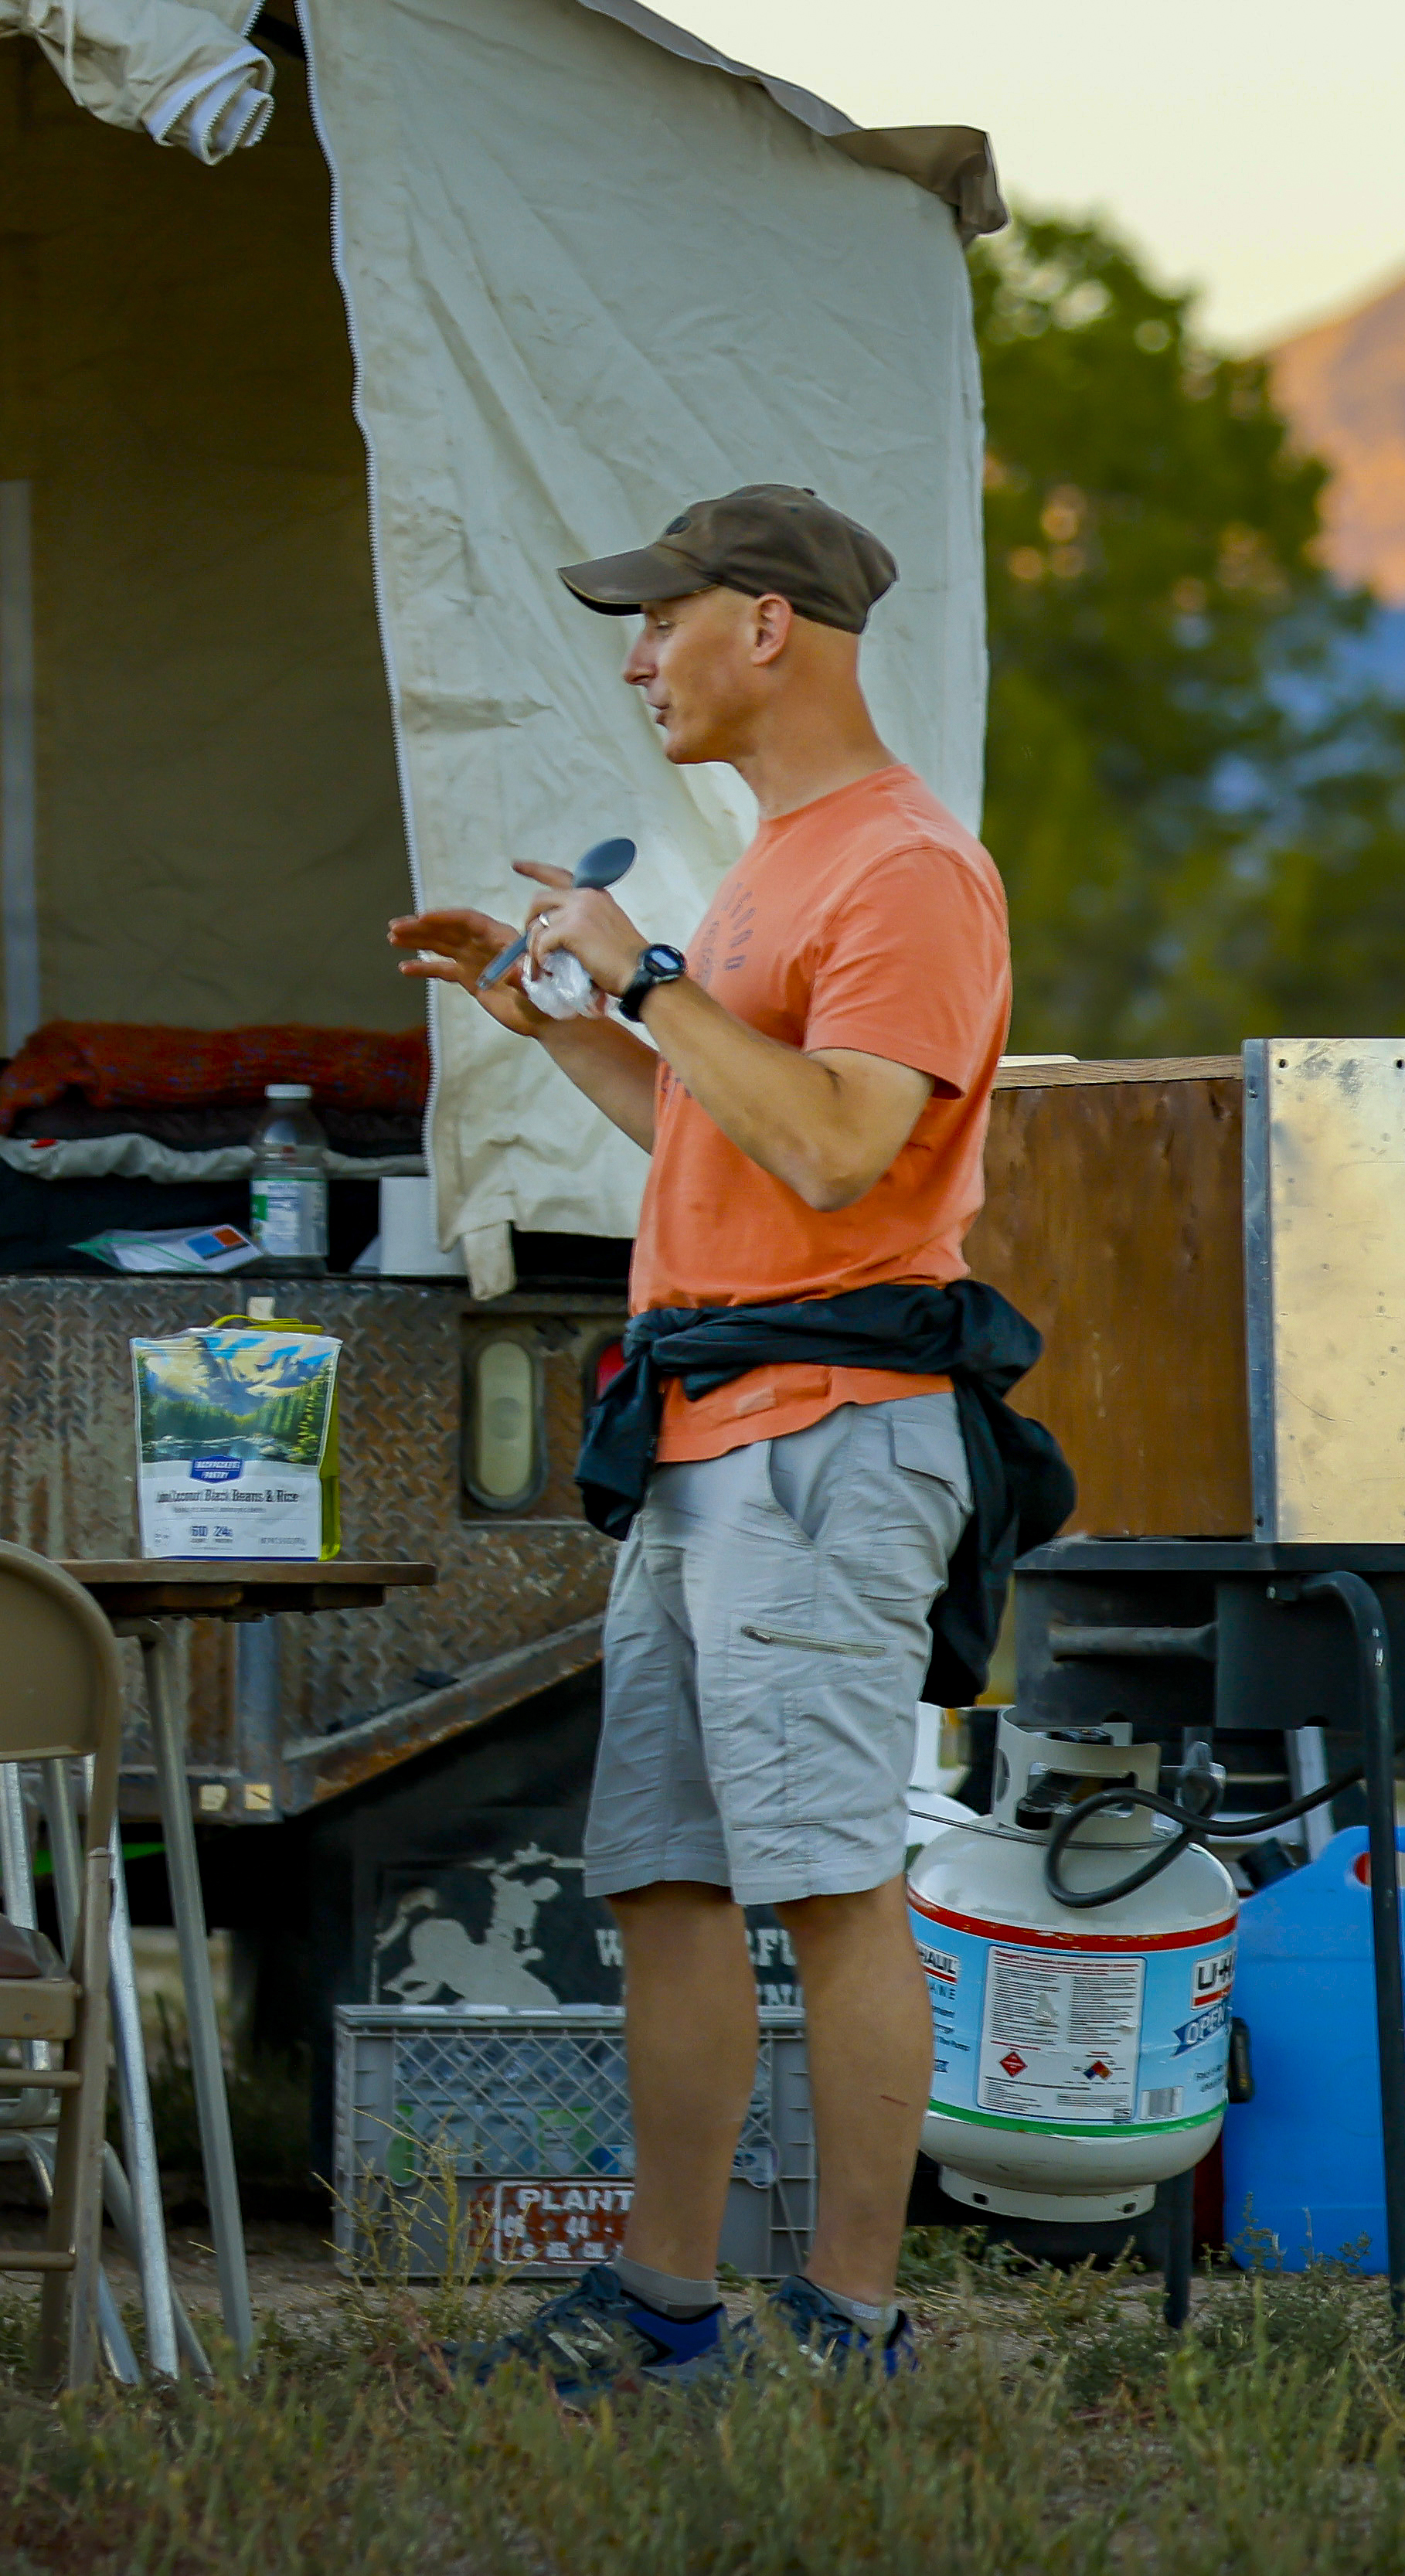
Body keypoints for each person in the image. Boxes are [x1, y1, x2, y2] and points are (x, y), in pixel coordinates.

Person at [390, 483, 1053, 2397]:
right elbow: (734, 1138)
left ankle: (851, 2324)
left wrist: (654, 973)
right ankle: (667, 2300)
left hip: (829, 1441)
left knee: (831, 1880)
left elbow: (848, 1146)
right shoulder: (781, 857)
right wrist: (555, 1019)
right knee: (665, 1882)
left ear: (764, 624)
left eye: (655, 618)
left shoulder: (909, 868)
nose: (631, 655)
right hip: (707, 1436)